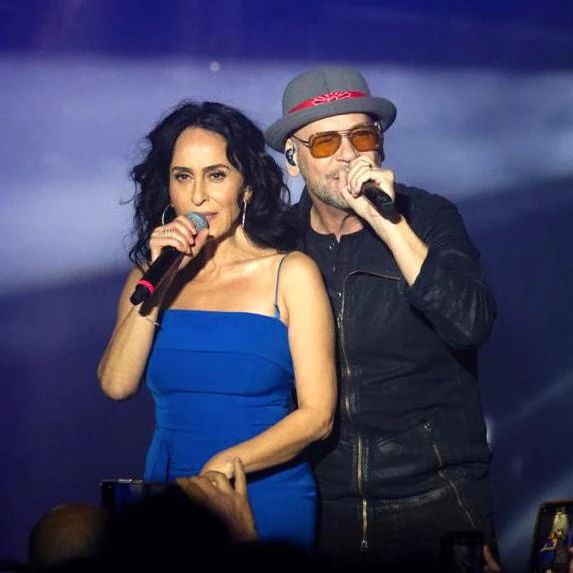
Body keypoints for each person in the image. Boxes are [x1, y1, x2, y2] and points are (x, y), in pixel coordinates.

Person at [265, 66, 500, 571]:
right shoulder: (277, 241)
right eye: (325, 142)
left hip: (436, 498)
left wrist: (388, 223)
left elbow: (470, 323)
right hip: (323, 508)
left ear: (381, 146)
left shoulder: (427, 217)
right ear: (293, 160)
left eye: (362, 135)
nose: (348, 154)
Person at [98, 101, 336, 548]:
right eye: (182, 177)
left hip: (259, 492)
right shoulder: (150, 276)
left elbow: (318, 416)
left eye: (216, 175)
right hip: (171, 495)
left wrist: (222, 467)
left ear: (247, 187)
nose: (198, 196)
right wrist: (162, 280)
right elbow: (116, 384)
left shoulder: (290, 273)